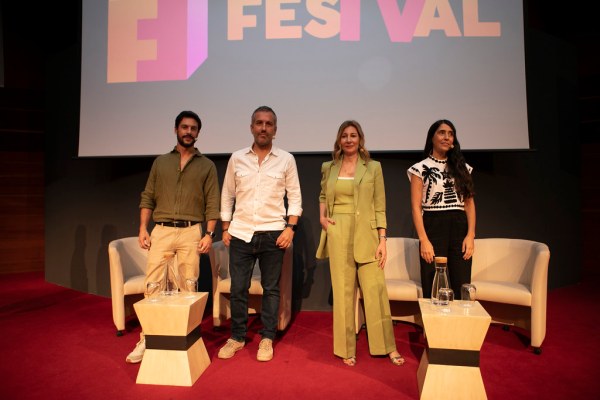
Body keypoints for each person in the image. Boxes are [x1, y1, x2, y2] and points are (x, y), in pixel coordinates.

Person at [126, 110, 220, 363]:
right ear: (176, 129)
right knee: (153, 286)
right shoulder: (161, 162)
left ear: (198, 133)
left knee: (188, 287)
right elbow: (148, 196)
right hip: (162, 230)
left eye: (193, 128)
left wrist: (209, 233)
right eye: (184, 127)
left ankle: (186, 338)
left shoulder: (207, 166)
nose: (188, 132)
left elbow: (213, 203)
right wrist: (143, 228)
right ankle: (147, 338)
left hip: (191, 231)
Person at [316, 120, 404, 367]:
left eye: (353, 135)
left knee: (375, 291)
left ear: (360, 139)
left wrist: (382, 239)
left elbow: (380, 205)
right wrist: (322, 218)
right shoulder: (328, 167)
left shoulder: (373, 167)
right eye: (344, 135)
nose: (349, 139)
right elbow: (322, 195)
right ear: (339, 140)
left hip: (367, 233)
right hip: (338, 231)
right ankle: (346, 349)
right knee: (343, 293)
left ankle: (387, 346)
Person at [218, 106, 302, 362]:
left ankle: (267, 338)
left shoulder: (286, 159)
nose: (263, 127)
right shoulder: (237, 158)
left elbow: (295, 197)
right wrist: (225, 227)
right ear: (251, 127)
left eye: (268, 124)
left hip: (273, 233)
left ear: (275, 129)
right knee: (238, 288)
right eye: (259, 123)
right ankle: (237, 337)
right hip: (240, 233)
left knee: (271, 289)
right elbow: (227, 195)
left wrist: (290, 228)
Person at [407, 119, 476, 300]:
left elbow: (469, 204)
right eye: (442, 132)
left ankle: (460, 319)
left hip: (459, 227)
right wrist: (424, 240)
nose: (446, 137)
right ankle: (433, 319)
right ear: (432, 137)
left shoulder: (462, 168)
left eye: (450, 134)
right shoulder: (419, 169)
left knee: (461, 282)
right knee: (434, 284)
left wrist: (470, 235)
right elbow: (416, 207)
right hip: (433, 226)